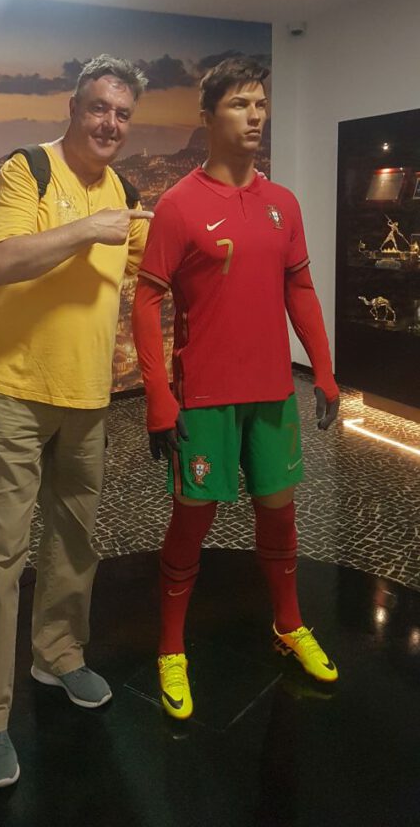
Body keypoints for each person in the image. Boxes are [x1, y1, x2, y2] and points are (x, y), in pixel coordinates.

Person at [0, 55, 152, 786]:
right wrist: (87, 229)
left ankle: (58, 655)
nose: (110, 123)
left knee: (75, 541)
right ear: (73, 108)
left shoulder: (124, 193)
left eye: (123, 114)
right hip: (11, 391)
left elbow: (154, 267)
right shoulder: (29, 171)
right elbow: (2, 261)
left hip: (88, 397)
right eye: (99, 107)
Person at [131, 57, 340, 720]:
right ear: (208, 117)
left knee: (279, 512)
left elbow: (299, 288)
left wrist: (324, 369)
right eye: (239, 104)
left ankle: (288, 624)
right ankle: (171, 647)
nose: (254, 116)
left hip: (271, 392)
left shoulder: (283, 204)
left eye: (260, 104)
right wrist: (158, 395)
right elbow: (145, 303)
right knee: (193, 519)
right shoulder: (178, 205)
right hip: (204, 398)